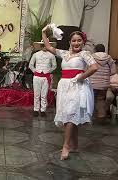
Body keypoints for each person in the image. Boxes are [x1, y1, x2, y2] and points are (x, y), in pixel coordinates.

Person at [42, 26, 98, 160]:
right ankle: (74, 145)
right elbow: (48, 47)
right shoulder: (64, 54)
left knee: (71, 114)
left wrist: (81, 77)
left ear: (83, 42)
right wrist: (44, 32)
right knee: (68, 114)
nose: (76, 43)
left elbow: (94, 67)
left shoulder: (84, 54)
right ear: (70, 42)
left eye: (79, 40)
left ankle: (66, 146)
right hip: (64, 86)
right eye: (74, 41)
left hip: (77, 87)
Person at [89, 44, 116, 124]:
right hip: (104, 85)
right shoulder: (109, 58)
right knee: (100, 100)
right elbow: (113, 72)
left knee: (91, 100)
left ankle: (90, 119)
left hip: (92, 84)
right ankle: (101, 116)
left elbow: (86, 69)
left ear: (95, 50)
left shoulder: (91, 57)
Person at [29, 42, 57, 117]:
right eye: (43, 45)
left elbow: (54, 66)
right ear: (41, 46)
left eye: (45, 45)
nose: (44, 47)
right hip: (37, 76)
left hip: (46, 76)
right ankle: (35, 109)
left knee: (44, 94)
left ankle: (43, 110)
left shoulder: (51, 55)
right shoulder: (36, 54)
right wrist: (35, 71)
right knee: (36, 94)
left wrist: (48, 71)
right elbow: (31, 65)